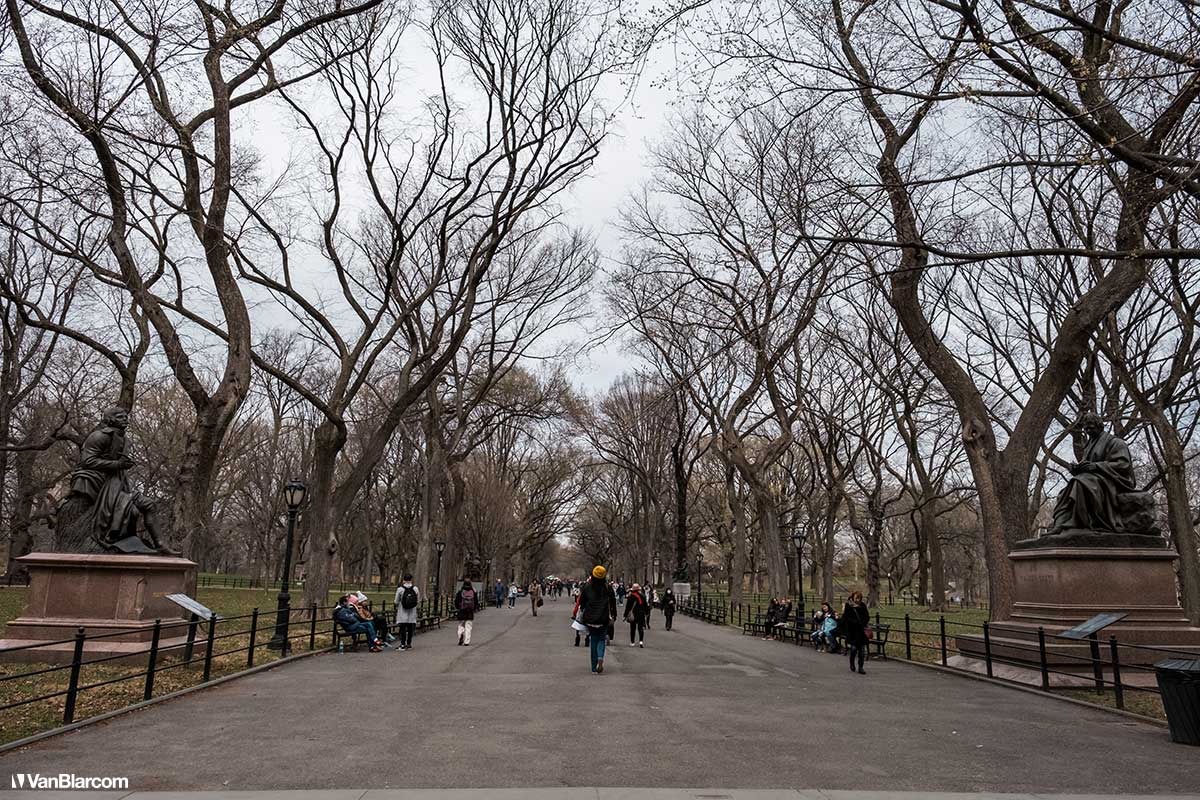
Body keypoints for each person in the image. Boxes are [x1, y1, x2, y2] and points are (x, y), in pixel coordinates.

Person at [578, 565, 617, 673]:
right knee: (601, 638)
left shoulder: (587, 586)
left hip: (590, 618)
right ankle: (600, 657)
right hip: (603, 617)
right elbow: (613, 602)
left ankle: (594, 666)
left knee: (593, 639)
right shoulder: (607, 587)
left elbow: (581, 602)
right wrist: (614, 615)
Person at [841, 591, 870, 674]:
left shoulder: (862, 605)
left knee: (862, 650)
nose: (858, 600)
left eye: (859, 598)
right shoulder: (848, 605)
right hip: (852, 631)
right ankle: (852, 662)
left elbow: (866, 616)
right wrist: (855, 622)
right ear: (853, 597)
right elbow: (846, 617)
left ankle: (861, 667)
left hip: (861, 631)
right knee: (853, 649)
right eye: (856, 598)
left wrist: (863, 623)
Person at [393, 574, 420, 651]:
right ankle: (409, 644)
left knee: (403, 628)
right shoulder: (415, 589)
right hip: (412, 612)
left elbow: (396, 601)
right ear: (411, 580)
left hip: (402, 611)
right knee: (410, 628)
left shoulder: (400, 589)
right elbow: (417, 600)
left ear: (404, 580)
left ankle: (402, 644)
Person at [454, 579, 480, 645]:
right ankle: (466, 641)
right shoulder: (473, 592)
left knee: (461, 625)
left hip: (462, 610)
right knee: (468, 626)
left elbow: (456, 601)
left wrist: (458, 607)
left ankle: (461, 634)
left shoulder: (461, 592)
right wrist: (474, 608)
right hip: (470, 611)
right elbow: (476, 601)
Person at [624, 583, 649, 647]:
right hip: (641, 613)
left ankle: (632, 642)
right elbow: (645, 605)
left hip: (633, 614)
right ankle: (641, 641)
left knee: (633, 628)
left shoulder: (631, 596)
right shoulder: (642, 596)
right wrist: (647, 613)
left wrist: (625, 614)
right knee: (640, 628)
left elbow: (628, 607)